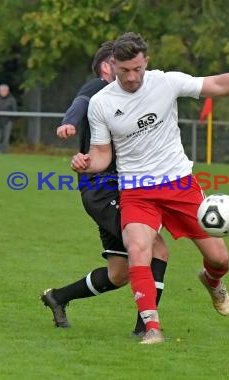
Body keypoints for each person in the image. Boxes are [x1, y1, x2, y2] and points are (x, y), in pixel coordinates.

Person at [72, 32, 229, 344]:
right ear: (114, 66)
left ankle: (212, 281)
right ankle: (152, 329)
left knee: (220, 259)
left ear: (146, 62)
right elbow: (102, 155)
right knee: (139, 250)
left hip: (179, 185)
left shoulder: (166, 82)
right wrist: (87, 163)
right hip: (136, 190)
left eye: (137, 69)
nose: (132, 77)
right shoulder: (101, 103)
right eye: (124, 71)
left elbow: (216, 85)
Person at [40, 41, 170, 337]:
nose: (129, 74)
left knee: (119, 273)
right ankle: (145, 328)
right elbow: (80, 104)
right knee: (157, 247)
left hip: (118, 189)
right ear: (106, 68)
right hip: (103, 189)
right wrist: (69, 123)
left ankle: (57, 297)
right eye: (120, 66)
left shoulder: (127, 97)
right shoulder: (97, 88)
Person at [0, 84, 17, 153]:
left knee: (6, 139)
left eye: (5, 90)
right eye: (2, 90)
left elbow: (15, 110)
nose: (3, 92)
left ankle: (5, 153)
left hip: (7, 121)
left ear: (8, 91)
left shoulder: (12, 100)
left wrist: (11, 119)